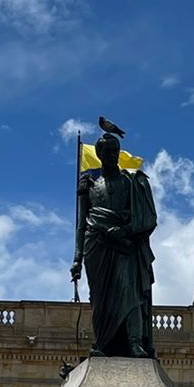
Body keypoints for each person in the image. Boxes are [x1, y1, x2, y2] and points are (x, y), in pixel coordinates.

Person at [70, 124, 158, 359]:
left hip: (124, 246)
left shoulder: (132, 182)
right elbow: (81, 224)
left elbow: (147, 217)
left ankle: (134, 342)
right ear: (98, 155)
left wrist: (125, 230)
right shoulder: (89, 187)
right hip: (96, 247)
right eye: (106, 152)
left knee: (130, 292)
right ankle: (103, 343)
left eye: (113, 151)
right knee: (100, 298)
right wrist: (77, 258)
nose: (110, 155)